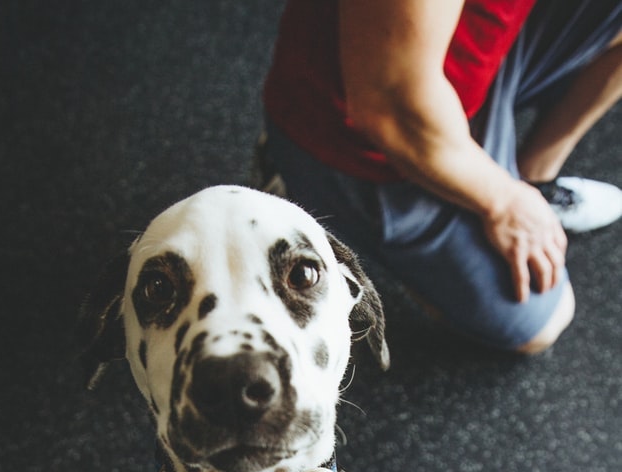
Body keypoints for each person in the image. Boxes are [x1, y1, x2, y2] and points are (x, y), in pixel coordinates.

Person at [257, 0, 622, 354]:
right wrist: (503, 201)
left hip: (469, 62)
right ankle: (295, 176)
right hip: (367, 135)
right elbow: (389, 105)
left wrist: (521, 195)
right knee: (540, 322)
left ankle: (533, 185)